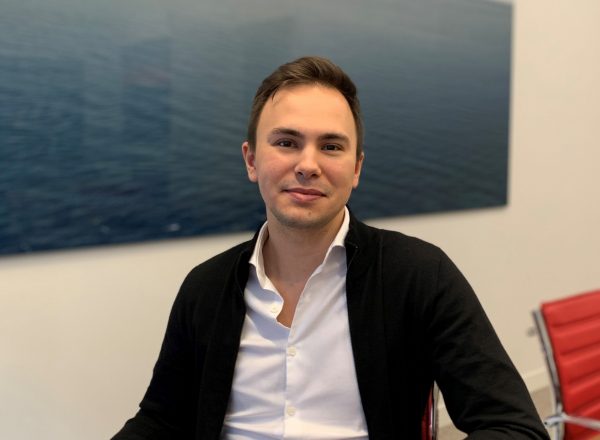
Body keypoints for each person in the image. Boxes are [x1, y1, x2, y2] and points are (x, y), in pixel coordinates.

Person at [112, 56, 549, 439]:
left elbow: (514, 427)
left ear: (356, 168)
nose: (308, 165)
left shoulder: (419, 276)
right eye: (286, 142)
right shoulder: (205, 287)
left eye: (331, 146)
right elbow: (161, 422)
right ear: (251, 160)